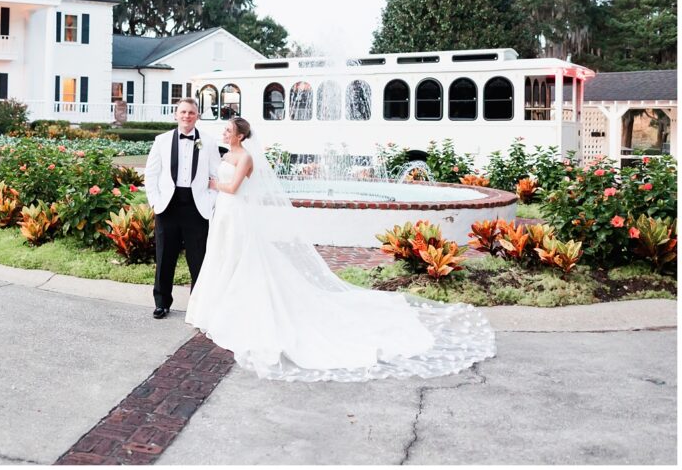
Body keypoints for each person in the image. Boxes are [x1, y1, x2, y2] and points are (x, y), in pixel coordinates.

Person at [185, 117, 496, 382]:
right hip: (223, 214)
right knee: (222, 256)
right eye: (224, 130)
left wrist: (214, 185)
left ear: (240, 134)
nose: (224, 133)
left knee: (241, 259)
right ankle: (216, 304)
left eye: (228, 130)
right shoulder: (226, 155)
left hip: (236, 211)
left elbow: (235, 187)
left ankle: (236, 308)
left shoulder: (245, 158)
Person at [144, 98, 223, 319]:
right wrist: (155, 202)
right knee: (164, 256)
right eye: (183, 112)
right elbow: (150, 174)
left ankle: (198, 306)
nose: (187, 116)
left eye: (191, 112)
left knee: (197, 258)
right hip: (167, 206)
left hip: (197, 208)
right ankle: (161, 302)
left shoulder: (208, 142)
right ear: (176, 115)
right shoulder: (161, 140)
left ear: (197, 115)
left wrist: (209, 200)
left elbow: (216, 175)